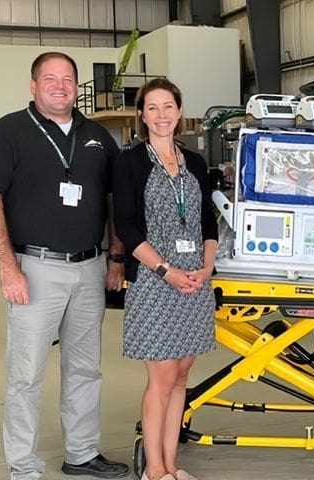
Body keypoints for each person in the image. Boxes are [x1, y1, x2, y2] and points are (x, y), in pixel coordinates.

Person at [0, 52, 129, 479]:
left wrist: (115, 258)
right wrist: (8, 267)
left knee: (85, 368)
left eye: (68, 79)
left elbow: (113, 203)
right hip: (34, 268)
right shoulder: (7, 132)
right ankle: (23, 467)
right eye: (50, 78)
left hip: (89, 268)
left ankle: (81, 454)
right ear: (33, 85)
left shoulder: (99, 137)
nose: (60, 85)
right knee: (25, 374)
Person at [113, 78, 217, 480]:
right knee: (161, 379)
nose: (161, 115)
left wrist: (205, 268)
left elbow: (209, 222)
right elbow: (127, 227)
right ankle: (154, 471)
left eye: (168, 106)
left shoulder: (194, 162)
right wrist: (167, 271)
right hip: (157, 282)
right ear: (142, 115)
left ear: (179, 111)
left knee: (181, 379)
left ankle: (172, 465)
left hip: (194, 283)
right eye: (152, 108)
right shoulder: (131, 161)